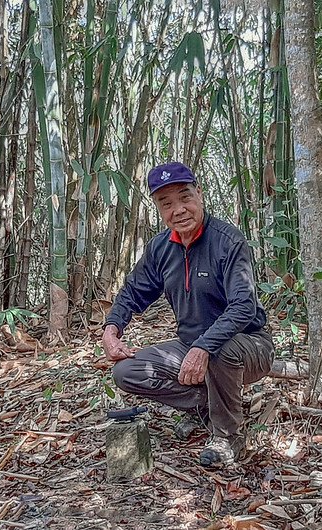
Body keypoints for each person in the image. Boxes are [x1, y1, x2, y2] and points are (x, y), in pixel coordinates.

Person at [101, 161, 274, 467]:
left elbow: (244, 306)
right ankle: (205, 408)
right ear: (158, 209)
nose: (178, 210)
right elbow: (133, 292)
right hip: (190, 345)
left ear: (200, 195)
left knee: (220, 349)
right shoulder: (160, 249)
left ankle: (229, 437)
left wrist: (203, 346)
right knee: (126, 372)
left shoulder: (228, 241)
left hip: (249, 345)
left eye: (185, 198)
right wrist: (112, 328)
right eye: (166, 204)